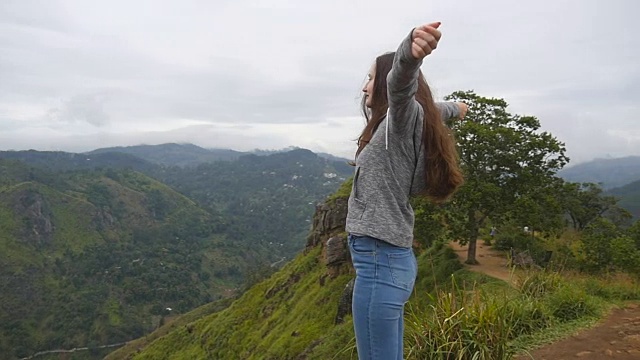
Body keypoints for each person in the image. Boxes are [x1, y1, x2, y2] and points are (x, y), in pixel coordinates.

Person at [346, 21, 467, 360]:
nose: (366, 86)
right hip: (390, 258)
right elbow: (434, 110)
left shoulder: (400, 119)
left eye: (371, 78)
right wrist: (456, 109)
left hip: (378, 259)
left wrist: (409, 55)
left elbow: (400, 83)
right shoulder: (410, 120)